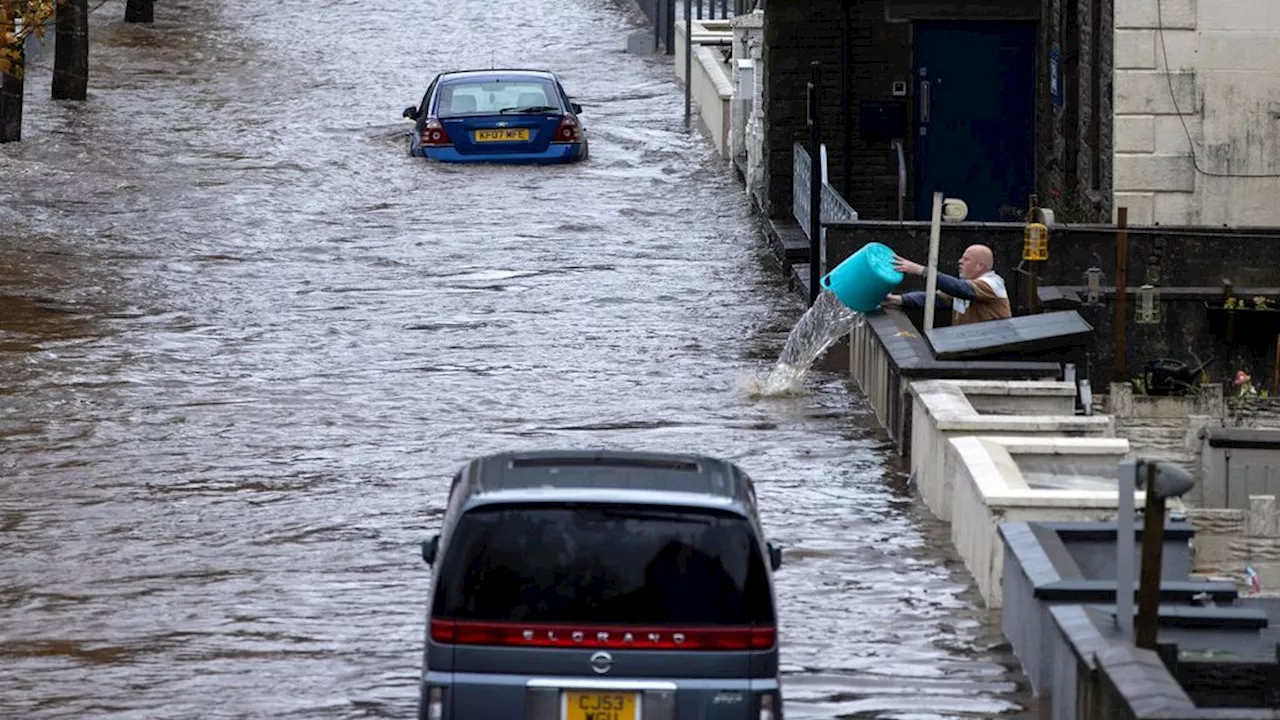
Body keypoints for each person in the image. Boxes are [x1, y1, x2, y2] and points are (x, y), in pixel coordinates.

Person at [881, 244, 1011, 326]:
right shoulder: (967, 286)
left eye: (966, 259)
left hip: (992, 350)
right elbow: (934, 299)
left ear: (979, 266)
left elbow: (962, 290)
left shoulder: (993, 283)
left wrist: (920, 270)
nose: (960, 262)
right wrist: (899, 300)